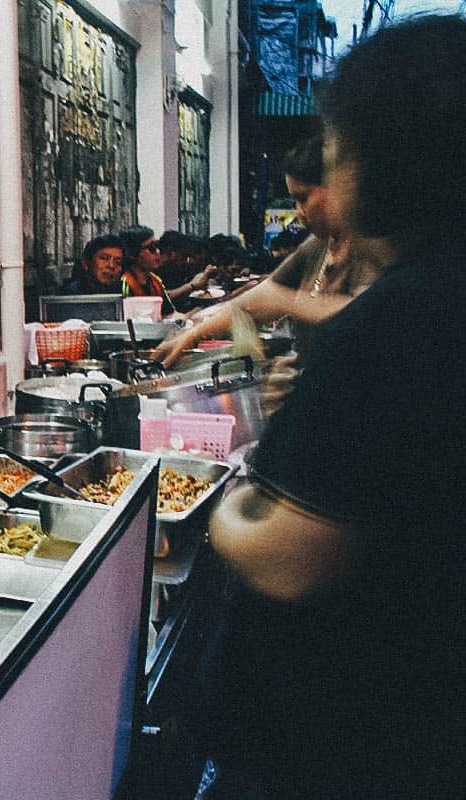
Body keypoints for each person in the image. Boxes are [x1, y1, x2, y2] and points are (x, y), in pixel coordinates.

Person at [198, 15, 466, 798]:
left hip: (348, 739)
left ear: (384, 162)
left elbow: (285, 558)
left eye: (338, 148)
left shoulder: (406, 316)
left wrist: (230, 502)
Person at [155, 133, 387, 367]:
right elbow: (254, 301)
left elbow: (367, 311)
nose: (299, 212)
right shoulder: (317, 246)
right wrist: (193, 332)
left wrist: (286, 302)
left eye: (303, 198)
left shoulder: (375, 249)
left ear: (336, 187)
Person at [118, 225, 214, 314]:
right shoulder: (124, 282)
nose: (158, 251)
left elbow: (170, 314)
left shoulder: (155, 281)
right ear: (132, 254)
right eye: (152, 248)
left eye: (157, 246)